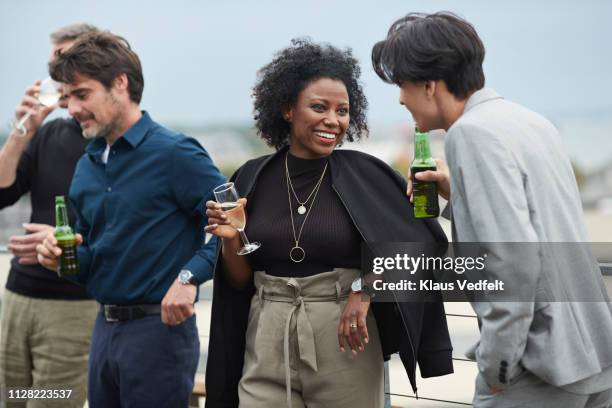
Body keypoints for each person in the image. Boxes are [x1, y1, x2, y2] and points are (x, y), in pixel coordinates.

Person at [372, 11, 612, 408]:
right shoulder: (529, 121)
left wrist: (496, 366)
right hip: (592, 353)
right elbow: (538, 222)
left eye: (402, 84)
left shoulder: (471, 133)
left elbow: (510, 263)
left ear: (429, 85)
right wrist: (457, 193)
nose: (400, 98)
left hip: (537, 366)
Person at [204, 39, 453, 408]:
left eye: (342, 111)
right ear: (287, 109)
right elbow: (239, 281)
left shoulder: (370, 175)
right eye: (319, 107)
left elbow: (424, 244)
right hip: (266, 334)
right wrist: (229, 241)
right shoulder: (251, 177)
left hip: (345, 337)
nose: (333, 121)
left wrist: (366, 287)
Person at [36, 32, 225, 407]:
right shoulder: (87, 166)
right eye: (68, 97)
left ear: (119, 84)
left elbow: (235, 224)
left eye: (82, 94)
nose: (70, 108)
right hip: (103, 332)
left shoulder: (175, 153)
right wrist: (62, 256)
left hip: (160, 334)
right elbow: (89, 258)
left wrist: (189, 278)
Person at [0, 23, 100, 408]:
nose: (58, 74)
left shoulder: (113, 141)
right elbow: (3, 191)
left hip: (72, 305)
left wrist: (60, 240)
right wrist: (21, 131)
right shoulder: (49, 133)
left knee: (51, 403)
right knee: (15, 401)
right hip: (19, 295)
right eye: (54, 64)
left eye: (69, 60)